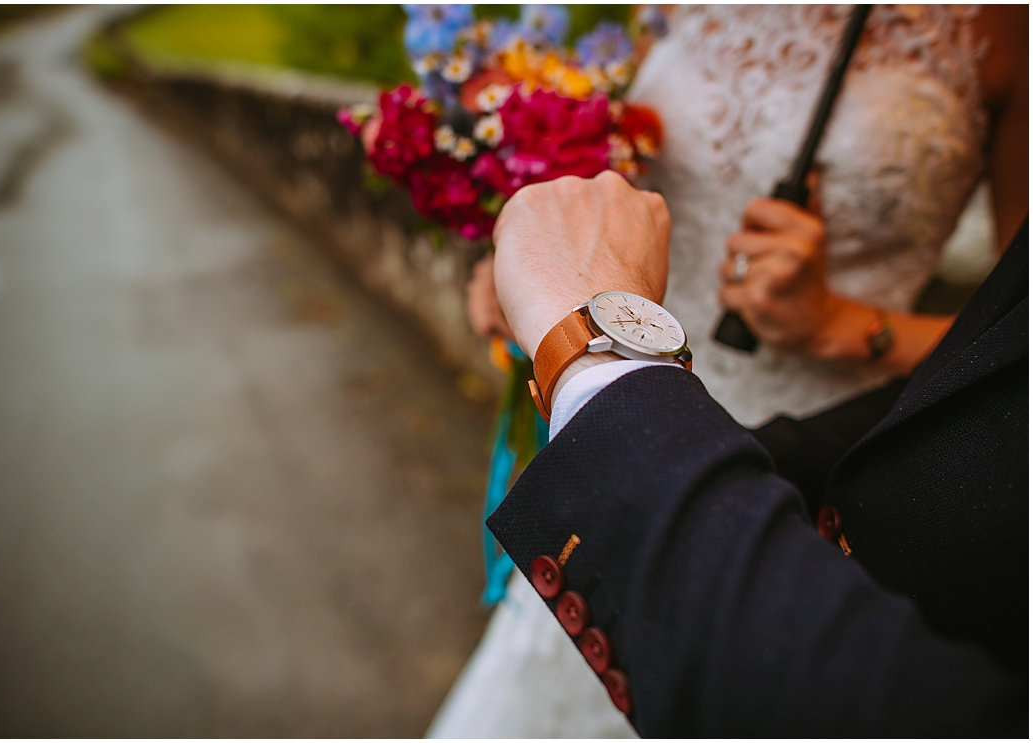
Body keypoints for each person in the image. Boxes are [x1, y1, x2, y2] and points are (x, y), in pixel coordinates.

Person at [432, 5, 1027, 737]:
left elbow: (1008, 339)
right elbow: (623, 166)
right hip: (618, 429)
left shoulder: (1006, 33)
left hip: (819, 451)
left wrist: (846, 325)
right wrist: (532, 264)